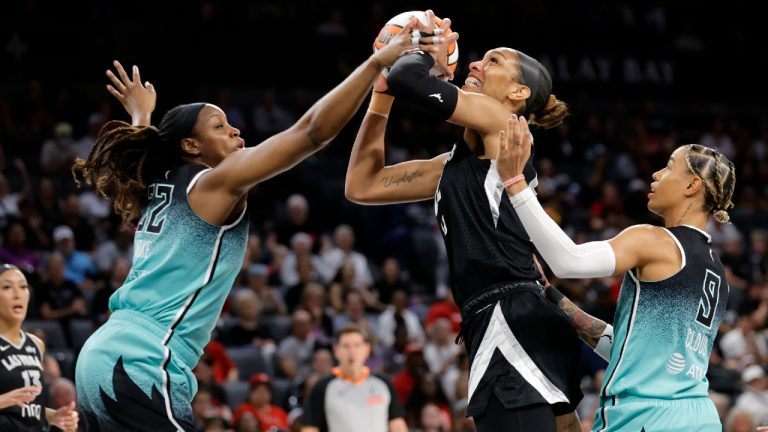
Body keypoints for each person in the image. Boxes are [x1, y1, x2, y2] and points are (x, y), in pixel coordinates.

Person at [72, 18, 435, 431]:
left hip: (103, 354)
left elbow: (144, 154)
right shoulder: (214, 181)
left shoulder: (159, 184)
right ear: (191, 147)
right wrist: (375, 64)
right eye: (219, 126)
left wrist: (142, 115)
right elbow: (311, 132)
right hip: (142, 359)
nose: (235, 129)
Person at [345, 10, 582, 431]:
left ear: (518, 92)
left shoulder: (504, 124)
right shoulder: (450, 166)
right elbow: (362, 186)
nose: (474, 63)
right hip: (501, 317)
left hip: (511, 316)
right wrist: (381, 94)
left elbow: (409, 81)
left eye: (492, 62)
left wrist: (426, 52)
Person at [495, 115, 737, 431]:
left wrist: (516, 184)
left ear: (692, 185)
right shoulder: (717, 271)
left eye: (668, 167)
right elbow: (629, 348)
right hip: (700, 419)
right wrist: (548, 293)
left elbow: (569, 261)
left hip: (644, 417)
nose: (655, 174)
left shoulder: (655, 240)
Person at [0, 263, 79, 431]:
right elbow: (10, 403)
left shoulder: (36, 344)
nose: (17, 294)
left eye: (23, 287)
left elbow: (31, 408)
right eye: (7, 287)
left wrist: (54, 416)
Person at [301, 324, 407, 432]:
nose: (352, 352)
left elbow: (397, 424)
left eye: (357, 345)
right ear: (336, 350)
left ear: (367, 349)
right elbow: (310, 428)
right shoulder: (323, 386)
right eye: (346, 346)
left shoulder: (383, 383)